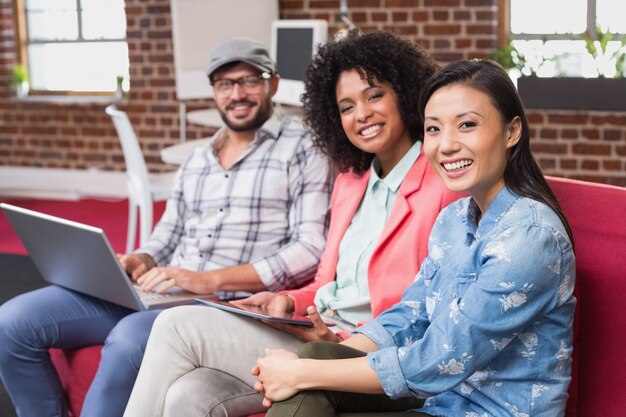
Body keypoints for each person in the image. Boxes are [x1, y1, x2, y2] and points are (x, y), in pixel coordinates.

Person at [123, 31, 461, 417]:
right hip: (316, 327)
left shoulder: (442, 182)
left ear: (404, 93)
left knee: (177, 326)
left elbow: (433, 309)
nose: (361, 114)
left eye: (374, 95)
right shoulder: (352, 181)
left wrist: (341, 338)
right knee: (190, 393)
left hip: (368, 351)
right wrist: (287, 300)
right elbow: (326, 284)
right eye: (346, 106)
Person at [0, 37, 334, 417]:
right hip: (162, 292)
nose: (237, 93)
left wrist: (209, 280)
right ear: (214, 91)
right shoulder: (197, 158)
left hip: (224, 305)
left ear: (272, 84)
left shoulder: (304, 149)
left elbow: (309, 248)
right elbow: (169, 231)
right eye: (226, 84)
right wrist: (142, 257)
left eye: (249, 80)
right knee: (12, 323)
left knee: (127, 339)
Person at [254, 59, 577, 417]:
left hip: (488, 410)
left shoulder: (530, 236)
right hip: (440, 402)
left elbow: (442, 357)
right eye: (434, 129)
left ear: (512, 131)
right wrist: (324, 358)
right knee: (317, 355)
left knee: (310, 372)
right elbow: (413, 313)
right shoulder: (453, 218)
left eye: (467, 125)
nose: (447, 145)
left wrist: (301, 374)